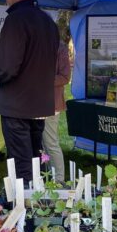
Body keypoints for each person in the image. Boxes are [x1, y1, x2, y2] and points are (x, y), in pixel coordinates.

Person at [0, 0, 59, 185]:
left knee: (21, 165)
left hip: (17, 106)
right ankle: (39, 205)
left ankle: (24, 212)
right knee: (36, 158)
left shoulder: (16, 20)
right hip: (39, 105)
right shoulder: (47, 21)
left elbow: (8, 68)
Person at [41, 40, 71, 183]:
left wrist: (40, 79)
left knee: (50, 143)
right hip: (32, 103)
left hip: (51, 104)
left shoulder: (60, 47)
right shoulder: (33, 43)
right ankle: (46, 176)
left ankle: (59, 181)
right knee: (40, 144)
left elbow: (65, 77)